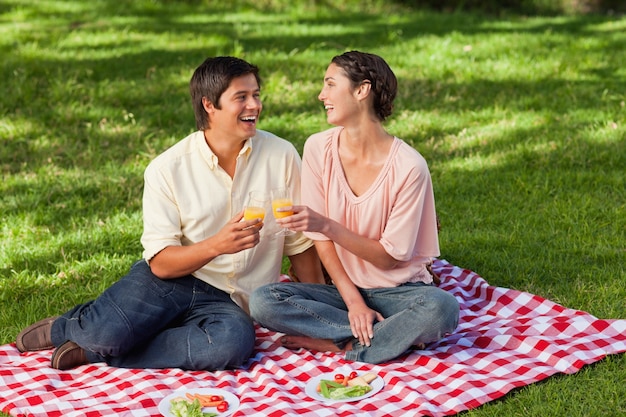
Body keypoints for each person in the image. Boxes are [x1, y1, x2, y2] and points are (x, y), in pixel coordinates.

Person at [15, 56, 324, 371]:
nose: (254, 105)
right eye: (241, 97)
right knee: (103, 331)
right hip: (173, 280)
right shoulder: (168, 168)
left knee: (230, 345)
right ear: (209, 105)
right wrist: (218, 245)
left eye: (256, 95)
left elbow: (299, 242)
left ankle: (100, 352)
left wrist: (319, 318)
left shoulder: (281, 155)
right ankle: (68, 326)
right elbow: (161, 263)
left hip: (230, 305)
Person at [249, 51, 459, 364]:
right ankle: (384, 336)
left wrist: (327, 225)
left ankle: (344, 345)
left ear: (362, 90)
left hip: (398, 293)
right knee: (263, 301)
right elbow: (320, 241)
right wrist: (353, 302)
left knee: (442, 309)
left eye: (331, 84)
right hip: (340, 293)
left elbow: (388, 259)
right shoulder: (319, 147)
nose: (322, 95)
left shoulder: (409, 167)